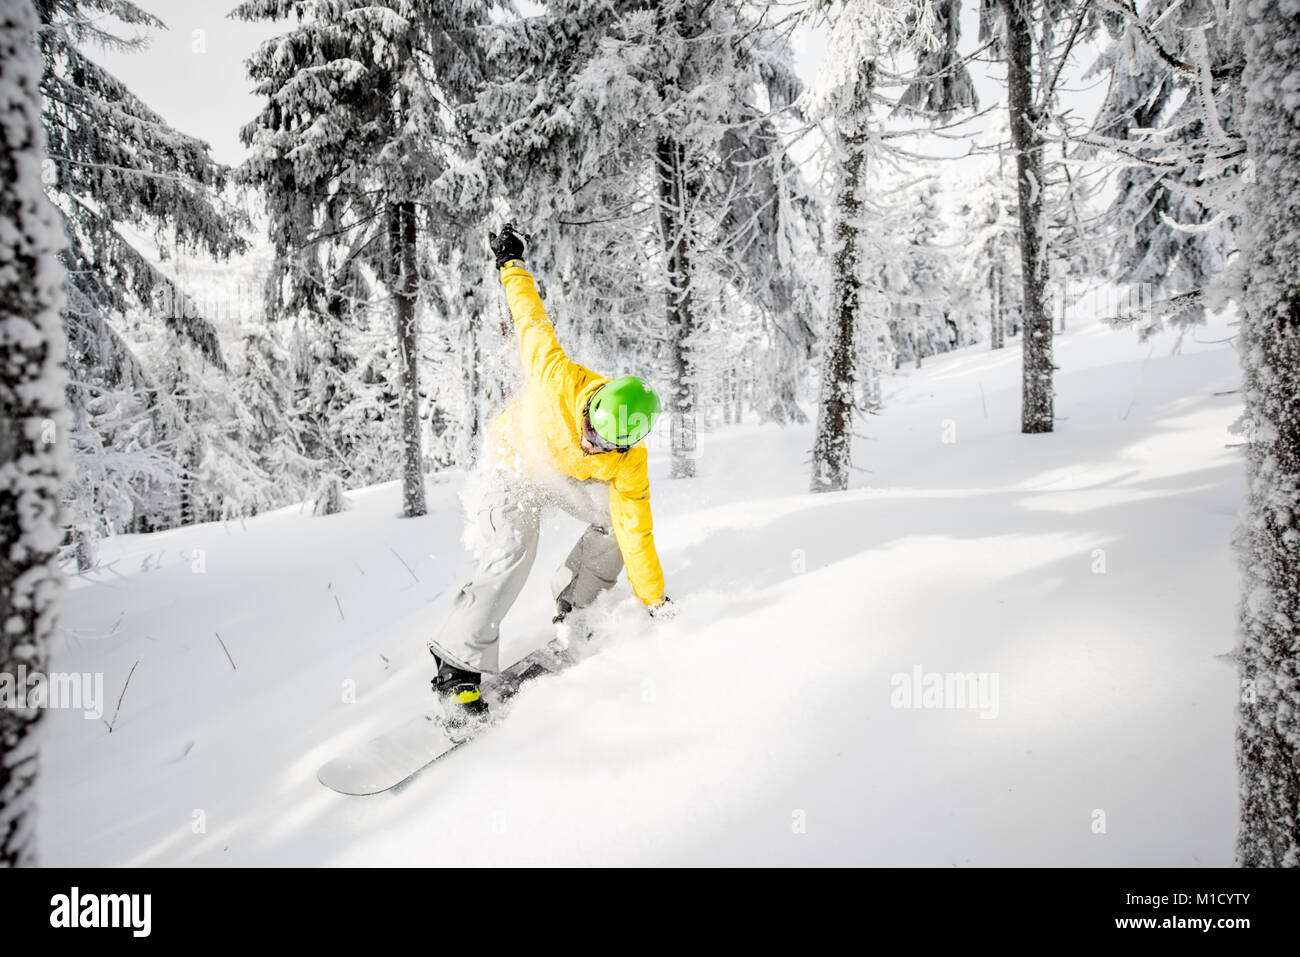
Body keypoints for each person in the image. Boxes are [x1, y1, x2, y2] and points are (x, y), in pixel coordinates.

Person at [427, 224, 672, 727]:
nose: (592, 444)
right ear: (591, 405)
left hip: (557, 474)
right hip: (511, 463)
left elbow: (638, 531)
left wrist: (655, 601)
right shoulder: (555, 375)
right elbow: (529, 315)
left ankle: (575, 606)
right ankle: (456, 666)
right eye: (592, 431)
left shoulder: (628, 463)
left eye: (606, 445)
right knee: (515, 546)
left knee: (614, 520)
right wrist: (509, 262)